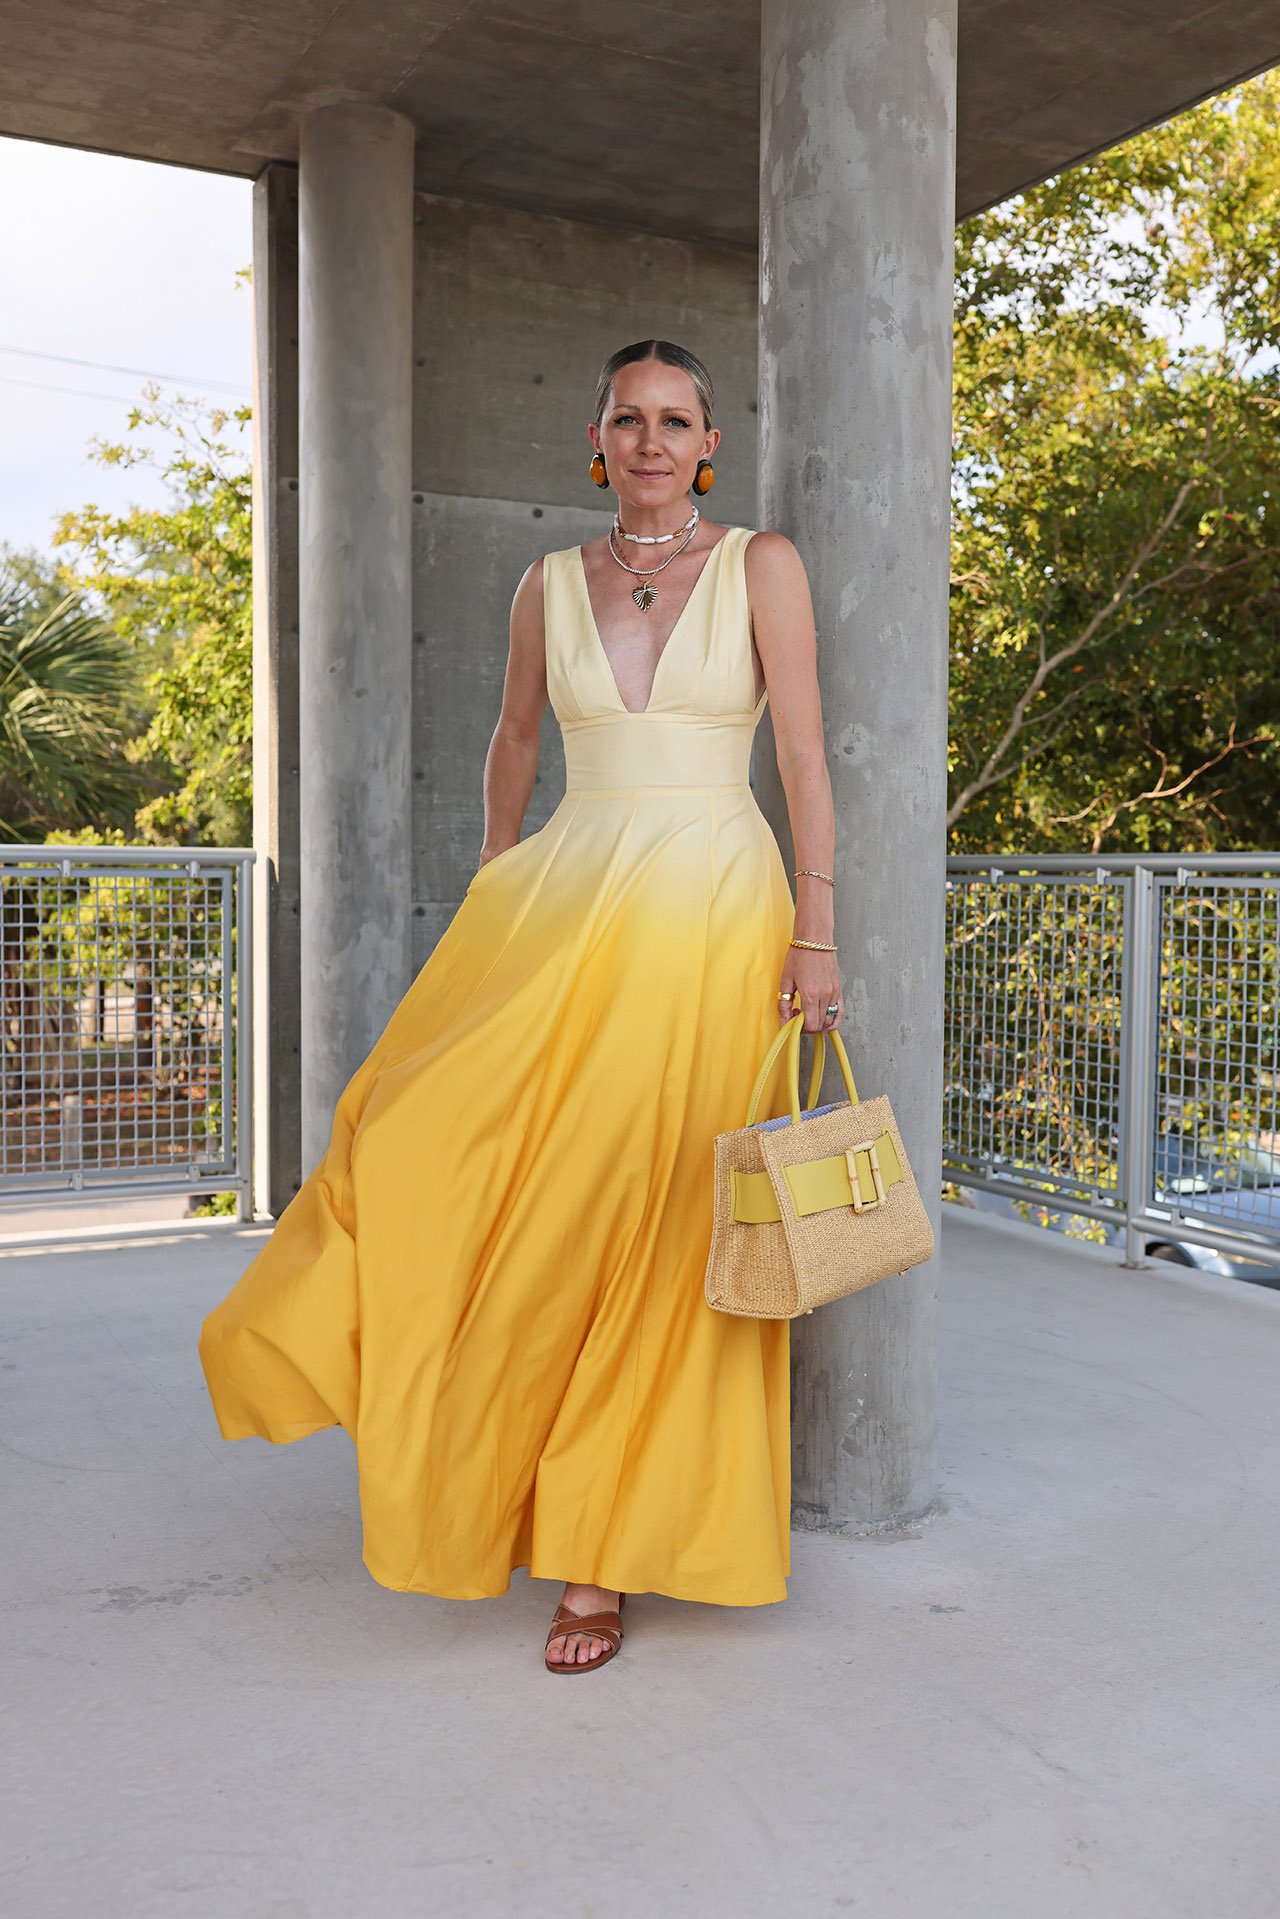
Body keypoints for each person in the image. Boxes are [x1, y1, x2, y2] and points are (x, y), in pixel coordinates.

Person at [198, 337, 843, 1675]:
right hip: (570, 897)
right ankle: (470, 1446)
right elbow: (515, 738)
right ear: (594, 440)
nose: (654, 441)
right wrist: (496, 884)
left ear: (709, 444)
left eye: (678, 421)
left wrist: (820, 929)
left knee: (663, 1221)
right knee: (435, 1144)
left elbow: (800, 750)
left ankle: (597, 1564)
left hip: (722, 907)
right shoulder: (547, 585)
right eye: (629, 419)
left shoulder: (760, 564)